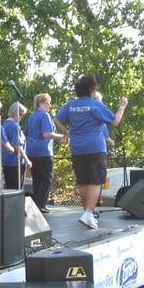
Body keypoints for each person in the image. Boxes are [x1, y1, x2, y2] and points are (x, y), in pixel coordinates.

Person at [54, 74, 128, 229]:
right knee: (95, 180)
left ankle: (87, 213)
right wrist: (122, 106)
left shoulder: (71, 105)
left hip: (77, 148)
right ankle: (88, 212)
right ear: (92, 89)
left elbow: (56, 120)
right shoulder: (95, 105)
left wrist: (66, 133)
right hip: (95, 147)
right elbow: (115, 121)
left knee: (82, 181)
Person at [25, 93, 66, 214]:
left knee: (37, 179)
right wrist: (61, 136)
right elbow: (46, 134)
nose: (50, 106)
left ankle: (38, 204)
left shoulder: (32, 116)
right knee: (47, 178)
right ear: (41, 103)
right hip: (43, 152)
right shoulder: (45, 116)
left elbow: (26, 132)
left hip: (31, 151)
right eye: (48, 103)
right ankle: (40, 204)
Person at [2, 101, 33, 189]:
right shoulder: (15, 126)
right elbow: (17, 145)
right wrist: (26, 159)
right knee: (17, 189)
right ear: (17, 113)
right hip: (15, 163)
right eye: (21, 114)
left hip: (7, 162)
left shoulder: (4, 124)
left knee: (9, 188)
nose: (21, 117)